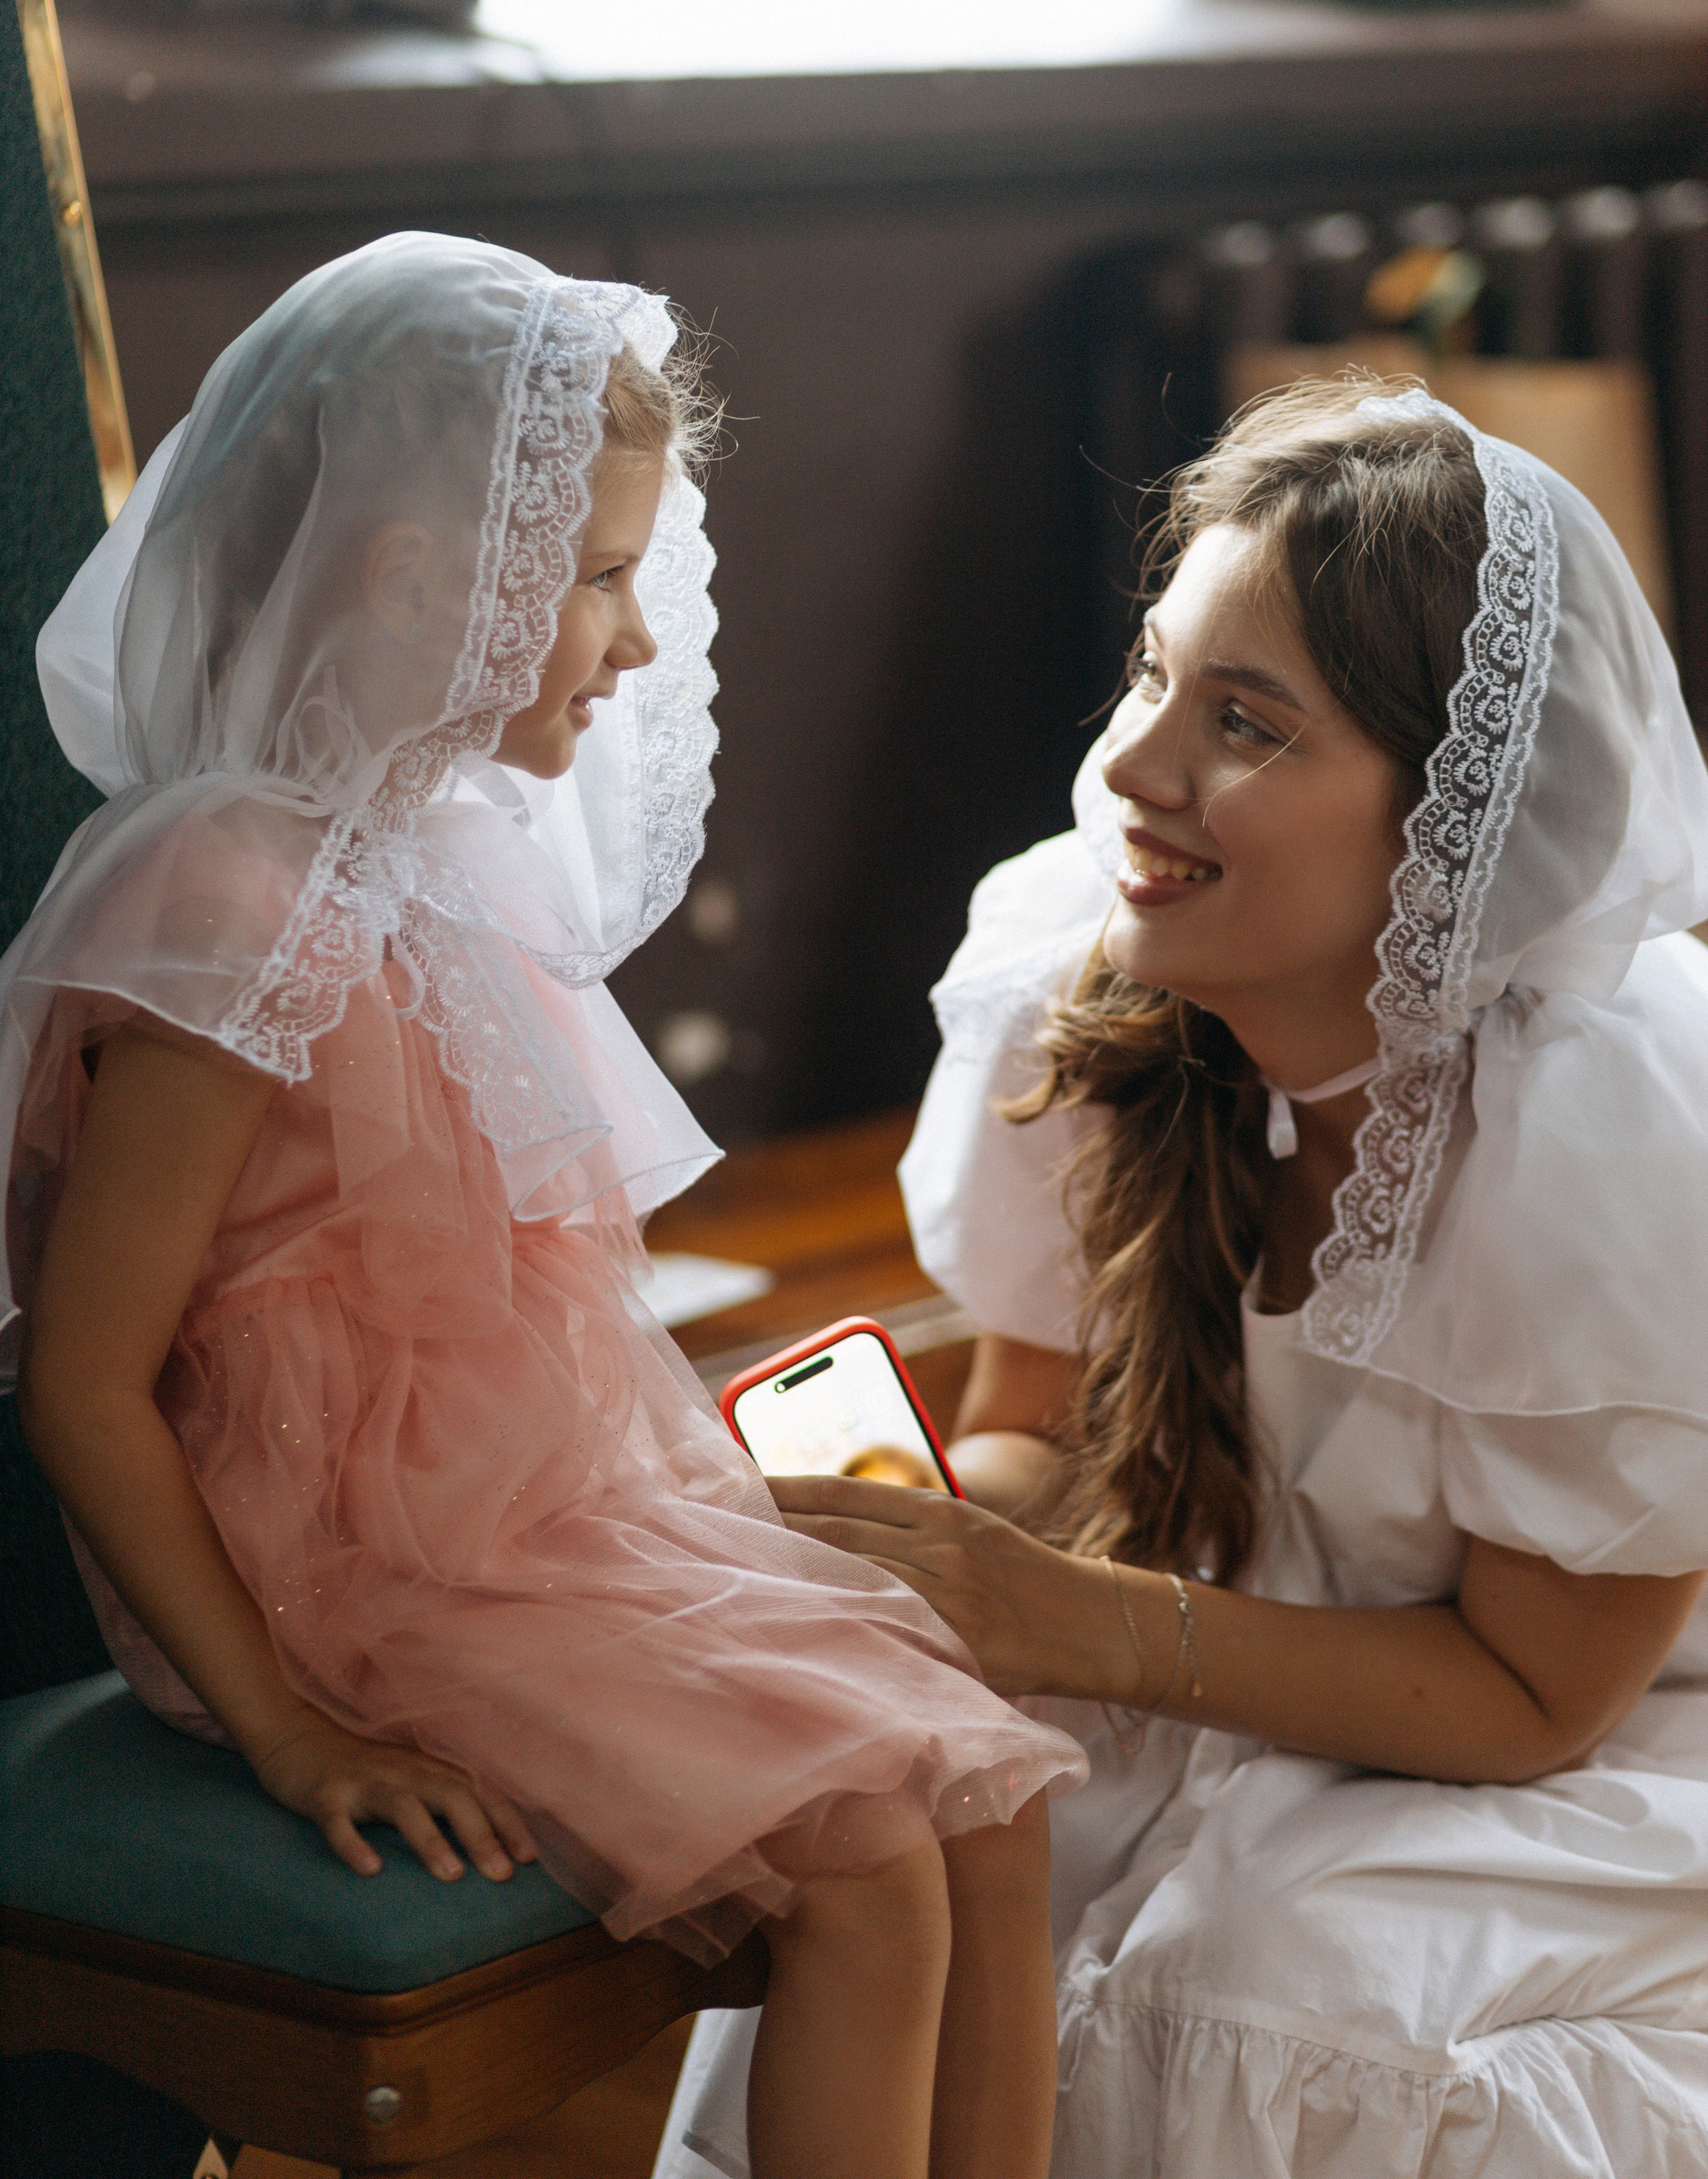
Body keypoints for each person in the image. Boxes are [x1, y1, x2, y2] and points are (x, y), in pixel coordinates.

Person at [5, 234, 1087, 2179]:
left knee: (988, 1801)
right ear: (425, 579)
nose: (640, 637)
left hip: (530, 1525)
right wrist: (287, 1734)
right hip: (333, 1579)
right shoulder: (220, 900)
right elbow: (85, 1383)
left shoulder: (450, 853)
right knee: (868, 1870)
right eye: (598, 580)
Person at [660, 380, 1708, 2178]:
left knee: (1267, 1989)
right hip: (1213, 1644)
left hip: (1576, 1753)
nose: (1138, 770)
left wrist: (1067, 1622)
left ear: (1454, 821)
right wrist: (900, 1544)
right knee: (928, 1840)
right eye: (1154, 679)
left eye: (1246, 722)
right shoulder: (1086, 978)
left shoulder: (1609, 1138)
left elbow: (1537, 1699)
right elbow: (1042, 1432)